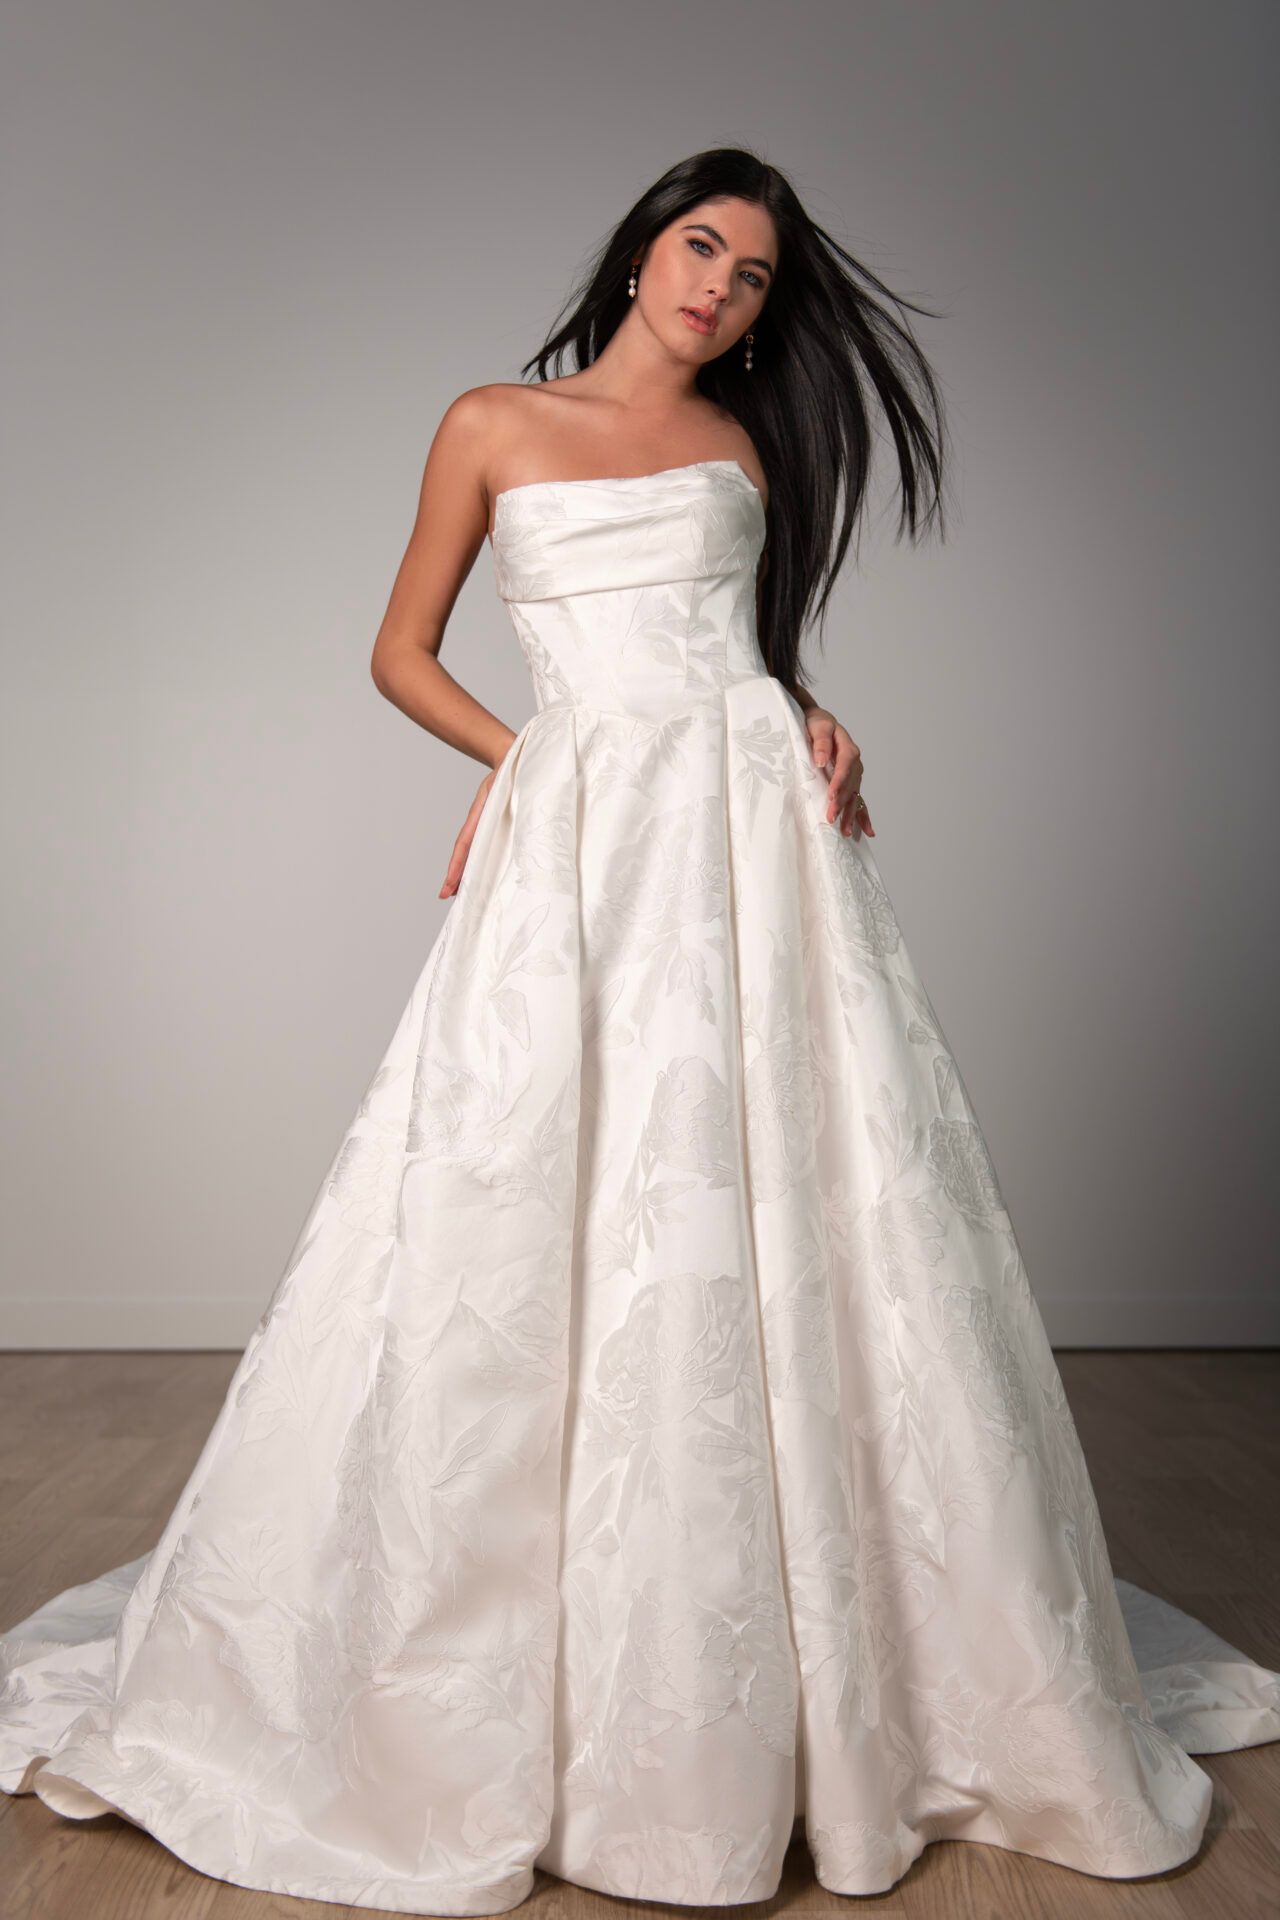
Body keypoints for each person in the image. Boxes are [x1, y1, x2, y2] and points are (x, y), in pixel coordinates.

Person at [2, 145, 1277, 1914]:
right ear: (639, 248)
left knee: (792, 1180)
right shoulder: (487, 422)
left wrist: (817, 721)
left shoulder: (748, 447)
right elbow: (400, 648)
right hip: (587, 834)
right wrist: (533, 765)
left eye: (753, 277)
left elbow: (739, 657)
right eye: (701, 249)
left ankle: (807, 1643)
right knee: (533, 1176)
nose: (719, 291)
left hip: (754, 833)